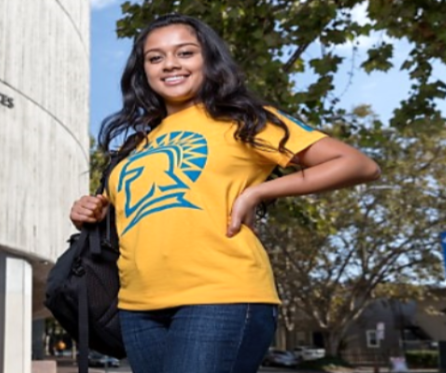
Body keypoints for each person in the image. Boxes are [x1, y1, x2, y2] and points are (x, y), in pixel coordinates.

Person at [69, 14, 380, 373]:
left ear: (208, 59)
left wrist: (258, 193)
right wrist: (88, 209)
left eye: (185, 53)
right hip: (138, 307)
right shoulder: (135, 145)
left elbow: (357, 164)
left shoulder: (243, 119)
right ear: (144, 71)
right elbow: (130, 213)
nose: (170, 64)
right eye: (155, 58)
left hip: (221, 296)